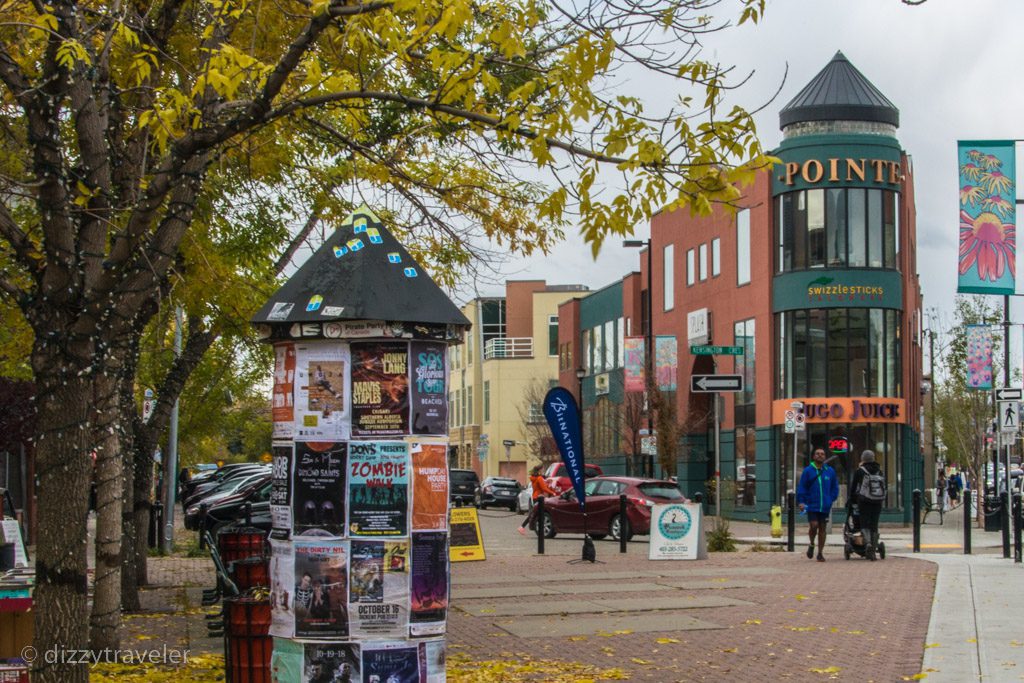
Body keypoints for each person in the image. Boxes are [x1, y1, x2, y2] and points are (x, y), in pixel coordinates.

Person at [797, 447, 839, 562]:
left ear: (825, 457)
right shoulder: (808, 471)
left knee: (822, 528)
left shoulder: (830, 471)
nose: (820, 455)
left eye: (822, 454)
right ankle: (811, 543)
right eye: (817, 453)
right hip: (812, 505)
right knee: (814, 525)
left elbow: (835, 487)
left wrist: (830, 499)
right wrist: (801, 501)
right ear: (813, 456)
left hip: (825, 505)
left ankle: (820, 553)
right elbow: (802, 487)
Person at [848, 450, 884, 561]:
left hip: (864, 501)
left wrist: (852, 499)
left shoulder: (860, 471)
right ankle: (873, 546)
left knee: (864, 522)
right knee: (874, 523)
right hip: (877, 501)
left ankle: (867, 543)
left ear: (863, 459)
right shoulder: (879, 471)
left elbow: (854, 487)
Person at [518, 465, 559, 535]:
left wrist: (546, 481)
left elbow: (541, 485)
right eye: (542, 470)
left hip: (535, 497)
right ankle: (524, 527)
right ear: (539, 470)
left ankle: (523, 527)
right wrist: (553, 493)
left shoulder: (535, 478)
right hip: (539, 497)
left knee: (535, 513)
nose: (543, 471)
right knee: (536, 513)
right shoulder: (539, 478)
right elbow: (544, 488)